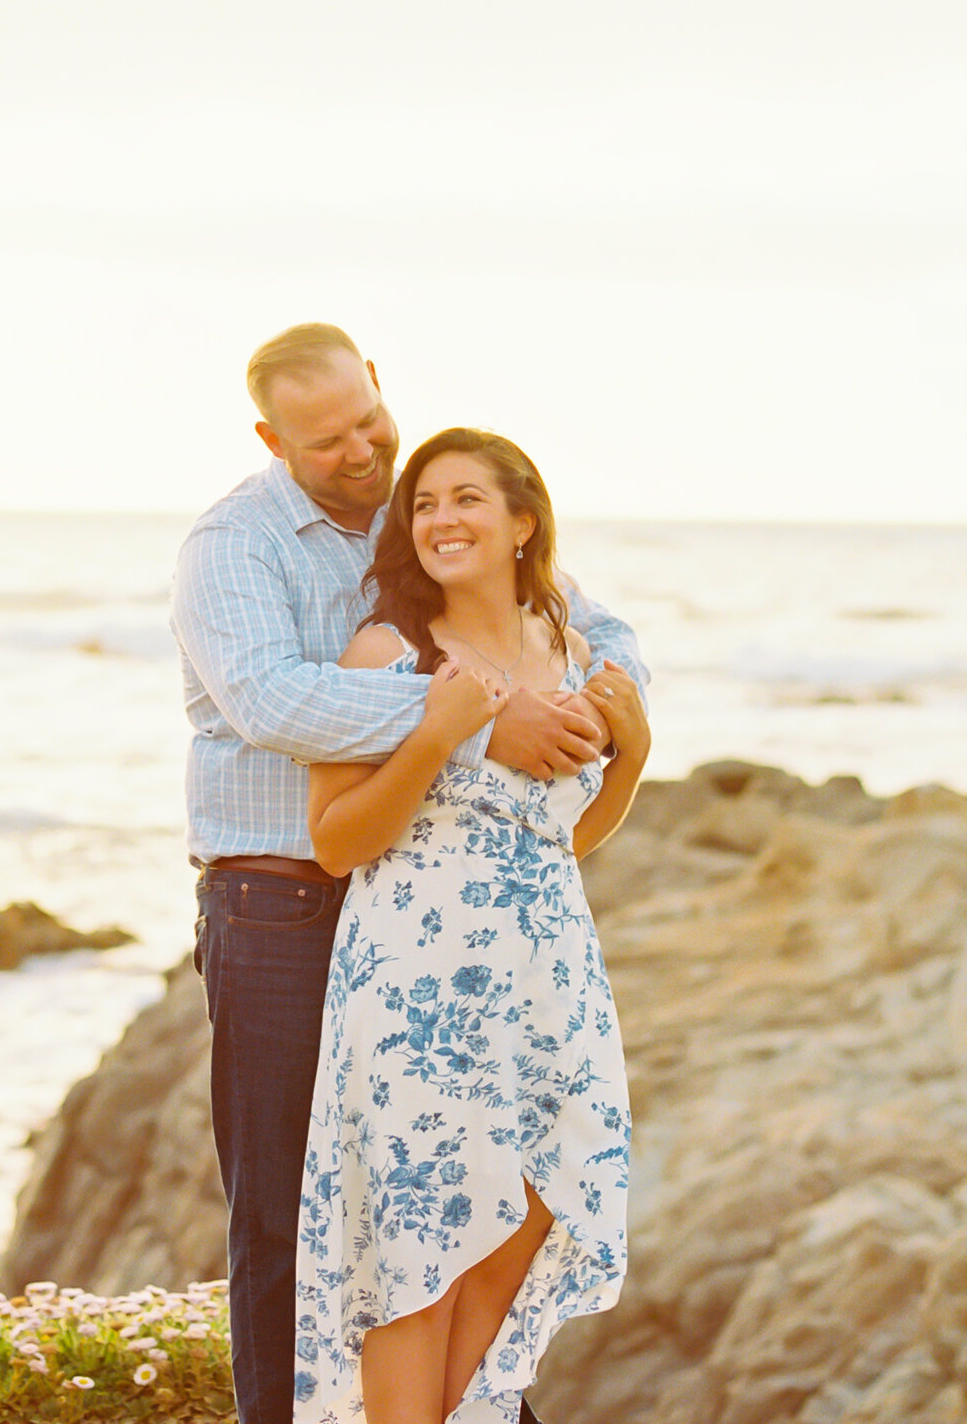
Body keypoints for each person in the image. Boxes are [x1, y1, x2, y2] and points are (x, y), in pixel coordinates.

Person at [171, 324, 646, 1424]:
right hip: (283, 900)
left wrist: (612, 712)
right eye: (328, 439)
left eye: (368, 421)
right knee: (299, 1219)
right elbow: (273, 704)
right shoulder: (236, 544)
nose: (360, 450)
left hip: (447, 918)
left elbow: (598, 634)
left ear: (382, 389)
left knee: (481, 1205)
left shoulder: (422, 509)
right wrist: (477, 720)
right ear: (271, 438)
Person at [295, 427, 646, 1424]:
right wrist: (436, 732)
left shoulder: (575, 655)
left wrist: (631, 759)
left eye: (464, 500)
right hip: (416, 990)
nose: (439, 520)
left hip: (550, 982)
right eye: (423, 505)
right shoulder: (388, 653)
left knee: (512, 1242)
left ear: (522, 520)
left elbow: (564, 837)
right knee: (417, 1260)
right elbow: (336, 839)